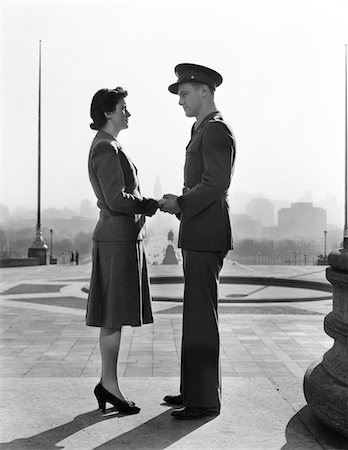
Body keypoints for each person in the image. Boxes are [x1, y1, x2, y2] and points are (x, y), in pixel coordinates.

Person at [159, 63, 236, 420]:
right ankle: (194, 390)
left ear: (205, 91)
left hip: (206, 234)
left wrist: (182, 203)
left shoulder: (216, 130)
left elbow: (217, 182)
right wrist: (183, 203)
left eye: (185, 94)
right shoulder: (200, 129)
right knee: (195, 314)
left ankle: (204, 400)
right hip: (198, 232)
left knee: (201, 316)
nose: (180, 102)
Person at [86, 87, 158, 415]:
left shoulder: (110, 146)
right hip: (116, 239)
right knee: (113, 317)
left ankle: (107, 383)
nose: (128, 113)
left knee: (113, 318)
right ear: (108, 113)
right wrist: (150, 204)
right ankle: (110, 385)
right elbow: (116, 199)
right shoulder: (105, 148)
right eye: (123, 108)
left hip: (120, 238)